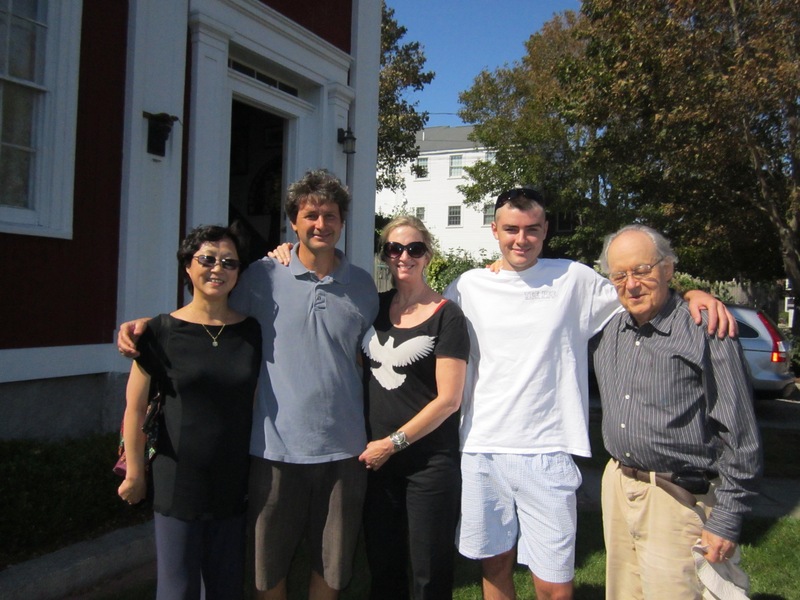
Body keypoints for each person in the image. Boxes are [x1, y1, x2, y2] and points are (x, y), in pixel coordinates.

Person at [443, 188, 735, 600]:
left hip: (549, 449)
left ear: (546, 230)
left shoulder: (573, 278)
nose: (521, 239)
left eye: (532, 229)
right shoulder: (466, 286)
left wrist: (691, 293)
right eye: (511, 229)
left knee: (554, 586)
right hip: (481, 448)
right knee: (494, 568)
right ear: (495, 230)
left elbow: (639, 290)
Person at [118, 170, 379, 600]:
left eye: (330, 215)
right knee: (266, 569)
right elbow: (208, 311)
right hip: (273, 451)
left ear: (342, 221)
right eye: (310, 215)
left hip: (345, 450)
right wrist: (150, 326)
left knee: (332, 567)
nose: (321, 224)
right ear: (293, 222)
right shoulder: (262, 276)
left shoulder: (364, 286)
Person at [592, 225, 762, 599]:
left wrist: (727, 519)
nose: (631, 284)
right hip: (619, 487)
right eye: (619, 275)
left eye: (642, 270)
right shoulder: (611, 331)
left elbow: (741, 435)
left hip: (677, 499)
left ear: (668, 268)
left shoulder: (705, 329)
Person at [117, 224, 262, 600]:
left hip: (232, 482)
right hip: (178, 481)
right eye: (207, 259)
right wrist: (135, 473)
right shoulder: (159, 331)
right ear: (187, 266)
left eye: (229, 262)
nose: (218, 269)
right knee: (177, 589)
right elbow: (135, 408)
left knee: (225, 588)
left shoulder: (252, 332)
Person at [359, 216, 468, 599]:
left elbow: (449, 399)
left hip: (428, 464)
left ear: (427, 255)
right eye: (394, 248)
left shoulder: (447, 315)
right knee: (383, 567)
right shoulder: (373, 308)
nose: (404, 256)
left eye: (414, 248)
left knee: (428, 572)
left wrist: (392, 443)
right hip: (377, 464)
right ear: (385, 256)